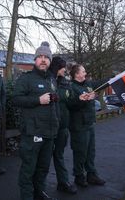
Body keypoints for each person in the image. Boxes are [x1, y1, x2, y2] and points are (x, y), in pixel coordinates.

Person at [13, 42, 59, 200]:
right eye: (40, 57)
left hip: (49, 133)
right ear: (35, 60)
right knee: (28, 169)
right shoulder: (26, 79)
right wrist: (38, 100)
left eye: (46, 57)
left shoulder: (52, 80)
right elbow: (16, 99)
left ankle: (39, 193)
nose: (43, 60)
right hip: (32, 133)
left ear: (50, 61)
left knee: (43, 168)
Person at [67, 64, 106, 188]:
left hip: (89, 124)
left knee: (90, 151)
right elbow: (70, 105)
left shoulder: (88, 84)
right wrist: (81, 100)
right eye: (83, 71)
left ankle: (91, 175)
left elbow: (101, 83)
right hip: (78, 126)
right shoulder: (71, 87)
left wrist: (115, 77)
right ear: (77, 74)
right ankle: (79, 176)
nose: (85, 73)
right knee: (80, 152)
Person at [48, 56, 77, 194]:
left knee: (59, 155)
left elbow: (71, 102)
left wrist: (81, 100)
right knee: (43, 158)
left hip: (63, 127)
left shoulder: (66, 83)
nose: (65, 70)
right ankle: (37, 186)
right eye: (62, 67)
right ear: (56, 67)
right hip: (48, 127)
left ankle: (63, 182)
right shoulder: (47, 80)